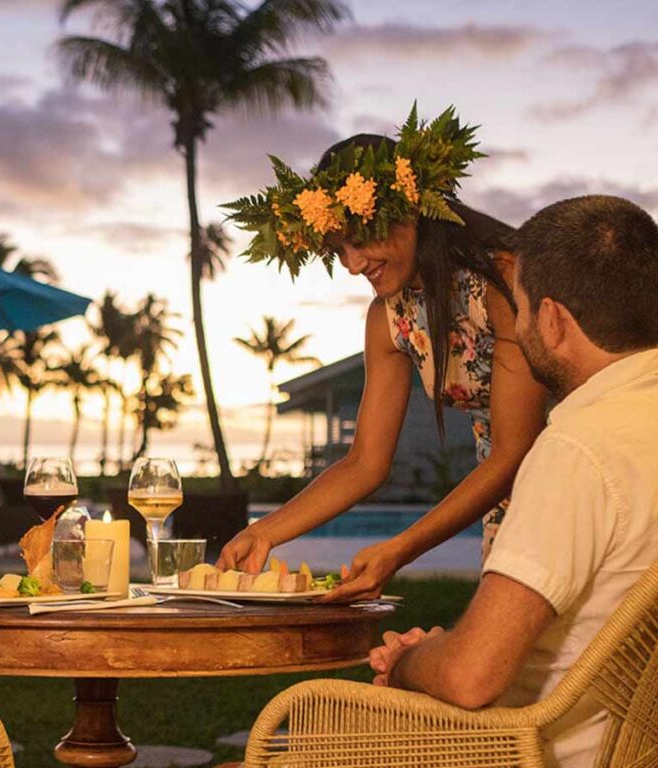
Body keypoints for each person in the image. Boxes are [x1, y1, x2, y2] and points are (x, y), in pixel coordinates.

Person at [369, 195, 658, 768]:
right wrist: (447, 648)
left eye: (520, 308)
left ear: (552, 320)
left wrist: (408, 661)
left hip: (533, 750)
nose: (516, 326)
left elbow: (472, 677)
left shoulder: (578, 450)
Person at [220, 106, 549, 598]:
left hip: (574, 471)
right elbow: (364, 463)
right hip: (504, 493)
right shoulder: (389, 318)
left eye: (359, 241)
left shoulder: (505, 282)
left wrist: (400, 548)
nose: (352, 265)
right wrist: (264, 531)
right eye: (338, 251)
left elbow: (513, 450)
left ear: (410, 210)